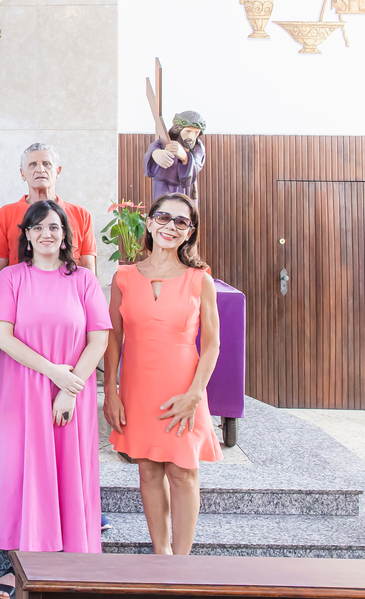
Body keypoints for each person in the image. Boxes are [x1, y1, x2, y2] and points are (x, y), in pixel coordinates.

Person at [0, 200, 111, 598]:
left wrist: (68, 389)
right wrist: (56, 374)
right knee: (21, 471)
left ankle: (70, 563)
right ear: (26, 235)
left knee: (69, 470)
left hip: (71, 396)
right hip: (22, 392)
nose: (46, 234)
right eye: (37, 227)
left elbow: (98, 339)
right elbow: (3, 337)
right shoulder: (11, 278)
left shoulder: (84, 280)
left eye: (54, 227)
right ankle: (22, 565)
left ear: (65, 235)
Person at [104, 193, 222, 555]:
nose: (171, 226)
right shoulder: (124, 277)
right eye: (163, 217)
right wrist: (111, 391)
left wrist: (195, 394)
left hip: (184, 389)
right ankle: (161, 555)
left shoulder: (199, 280)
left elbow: (212, 345)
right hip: (138, 388)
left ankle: (181, 564)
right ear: (150, 222)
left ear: (190, 232)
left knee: (183, 472)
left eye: (181, 221)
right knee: (149, 471)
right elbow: (113, 338)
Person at [0, 143, 97, 285]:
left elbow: (88, 270)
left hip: (69, 293)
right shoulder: (4, 215)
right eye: (32, 164)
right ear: (22, 173)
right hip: (21, 293)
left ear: (58, 171)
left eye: (46, 164)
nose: (40, 169)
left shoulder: (82, 215)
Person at [144, 112, 207, 204]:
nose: (191, 136)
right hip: (163, 188)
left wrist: (185, 157)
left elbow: (195, 168)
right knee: (164, 209)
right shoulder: (163, 143)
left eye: (196, 132)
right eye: (188, 131)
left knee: (184, 211)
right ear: (178, 130)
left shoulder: (198, 148)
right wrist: (155, 154)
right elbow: (150, 154)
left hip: (185, 190)